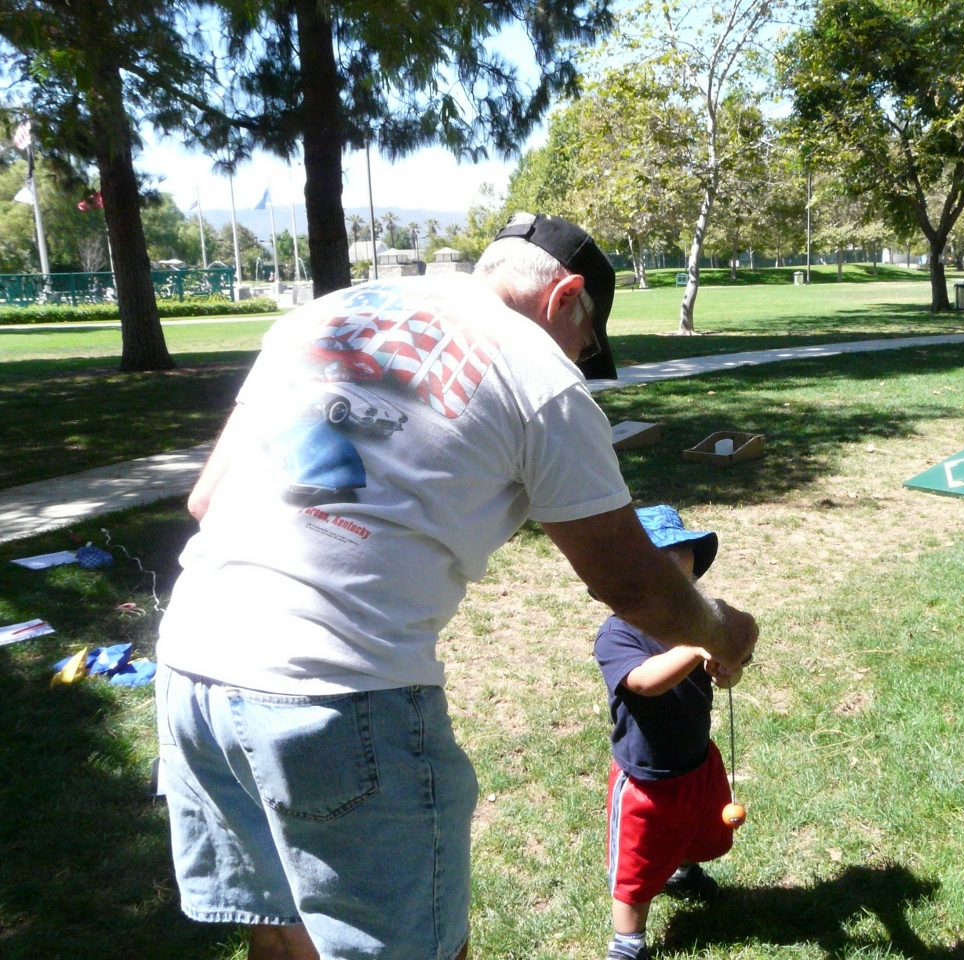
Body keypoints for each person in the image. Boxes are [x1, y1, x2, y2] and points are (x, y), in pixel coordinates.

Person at [155, 213, 758, 960]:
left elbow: (206, 499)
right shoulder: (538, 371)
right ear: (566, 298)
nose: (582, 359)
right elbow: (636, 587)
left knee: (284, 931)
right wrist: (725, 632)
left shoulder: (328, 315)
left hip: (191, 667)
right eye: (590, 342)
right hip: (337, 695)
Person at [594, 505, 744, 960]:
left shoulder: (698, 625)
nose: (677, 577)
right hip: (646, 778)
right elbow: (645, 682)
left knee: (694, 828)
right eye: (663, 562)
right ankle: (628, 941)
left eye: (684, 560)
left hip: (697, 759)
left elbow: (736, 659)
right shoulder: (617, 634)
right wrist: (697, 646)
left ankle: (681, 870)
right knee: (636, 865)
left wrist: (726, 670)